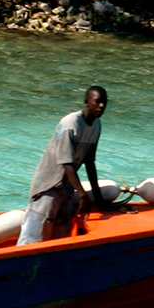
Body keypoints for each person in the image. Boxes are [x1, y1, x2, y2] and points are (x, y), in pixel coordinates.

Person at [18, 86, 113, 245]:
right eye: (97, 102)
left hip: (66, 188)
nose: (101, 106)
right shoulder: (70, 124)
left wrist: (98, 199)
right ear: (86, 102)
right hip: (48, 186)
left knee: (61, 233)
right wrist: (82, 194)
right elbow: (66, 163)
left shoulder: (96, 125)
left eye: (104, 102)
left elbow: (89, 162)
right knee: (34, 236)